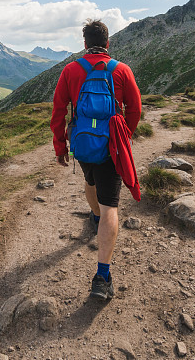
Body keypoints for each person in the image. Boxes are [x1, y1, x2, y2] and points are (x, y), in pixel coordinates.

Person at [50, 19, 142, 300]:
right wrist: (123, 136)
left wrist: (60, 146)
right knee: (111, 205)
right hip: (110, 146)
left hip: (82, 143)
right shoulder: (122, 70)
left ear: (85, 43)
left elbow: (58, 111)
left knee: (90, 182)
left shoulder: (71, 70)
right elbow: (135, 109)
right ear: (108, 43)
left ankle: (95, 217)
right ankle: (102, 277)